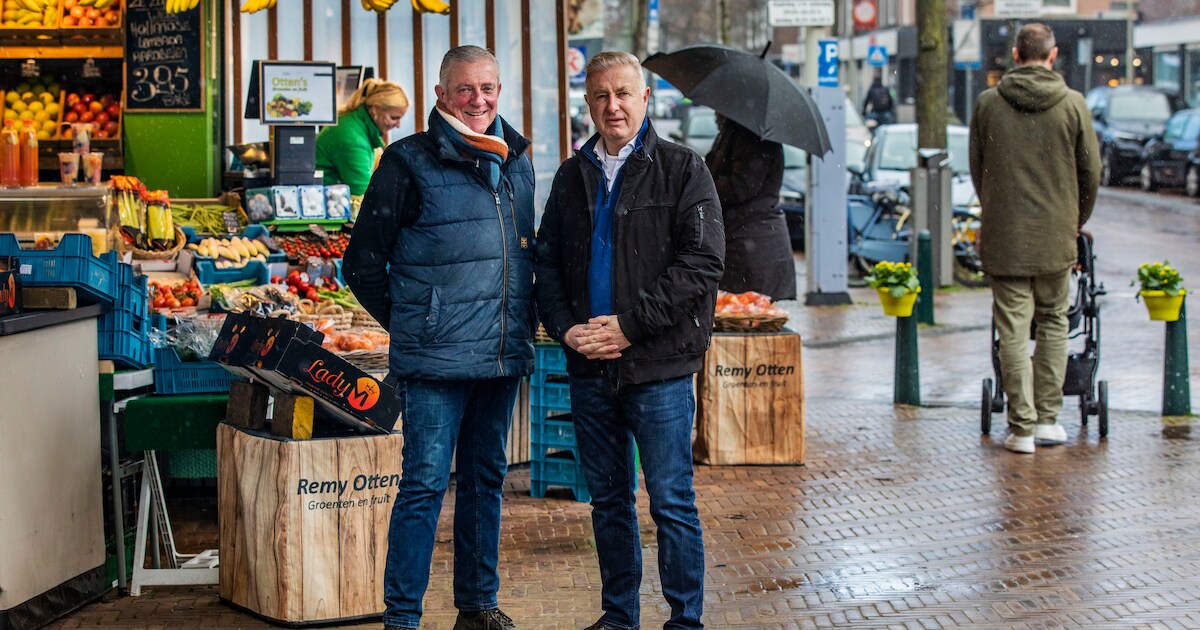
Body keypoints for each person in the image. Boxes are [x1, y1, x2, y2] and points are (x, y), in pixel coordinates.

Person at [342, 45, 535, 630]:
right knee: (424, 486)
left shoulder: (518, 158)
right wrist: (416, 322)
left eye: (489, 88)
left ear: (500, 91)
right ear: (441, 95)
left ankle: (477, 607)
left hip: (498, 354)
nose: (479, 100)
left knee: (485, 481)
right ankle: (402, 618)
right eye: (465, 89)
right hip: (434, 362)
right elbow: (362, 264)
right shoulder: (407, 161)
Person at [535, 51, 725, 630]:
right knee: (609, 502)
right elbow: (545, 262)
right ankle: (619, 617)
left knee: (670, 502)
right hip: (590, 365)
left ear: (644, 98)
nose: (612, 106)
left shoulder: (682, 168)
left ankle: (684, 621)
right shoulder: (573, 174)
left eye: (623, 93)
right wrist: (567, 329)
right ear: (587, 103)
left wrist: (630, 326)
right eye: (600, 96)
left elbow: (702, 263)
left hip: (657, 366)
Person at [968, 23, 1100, 454]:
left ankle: (1021, 428)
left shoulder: (988, 103)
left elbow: (977, 166)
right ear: (1053, 55)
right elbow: (1091, 173)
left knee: (1012, 328)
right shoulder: (1073, 105)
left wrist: (995, 209)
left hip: (1005, 235)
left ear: (1015, 54)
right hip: (1055, 235)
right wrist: (1073, 218)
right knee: (1055, 323)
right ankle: (1048, 419)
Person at [705, 114, 797, 300]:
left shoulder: (750, 135)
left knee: (748, 317)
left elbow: (741, 187)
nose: (715, 112)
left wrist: (705, 184)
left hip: (753, 248)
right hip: (745, 243)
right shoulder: (733, 131)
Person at [315, 78, 409, 196]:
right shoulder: (352, 138)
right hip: (329, 204)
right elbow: (364, 195)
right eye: (394, 118)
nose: (398, 125)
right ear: (375, 109)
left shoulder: (355, 124)